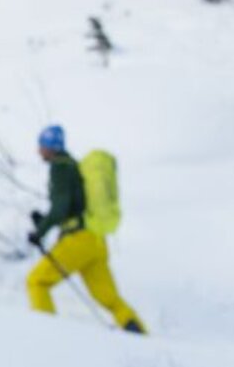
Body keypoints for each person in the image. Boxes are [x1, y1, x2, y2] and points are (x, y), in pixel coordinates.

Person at [25, 125, 146, 334]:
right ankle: (139, 334)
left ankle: (45, 338)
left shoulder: (60, 167)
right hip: (95, 242)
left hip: (78, 241)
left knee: (37, 282)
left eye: (41, 146)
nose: (38, 151)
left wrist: (40, 231)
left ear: (50, 147)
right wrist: (44, 220)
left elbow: (61, 206)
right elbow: (70, 207)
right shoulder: (73, 166)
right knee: (110, 299)